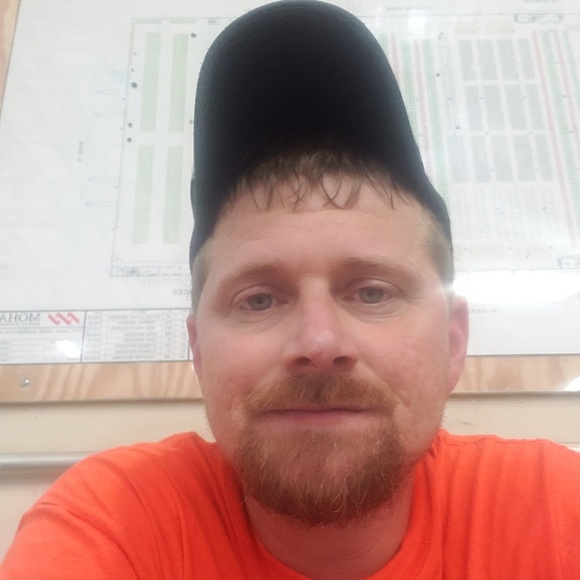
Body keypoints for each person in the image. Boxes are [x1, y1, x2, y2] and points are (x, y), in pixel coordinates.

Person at [2, 2, 580, 578]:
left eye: (372, 293)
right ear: (198, 352)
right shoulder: (113, 524)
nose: (319, 343)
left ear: (453, 342)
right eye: (258, 299)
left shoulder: (558, 511)